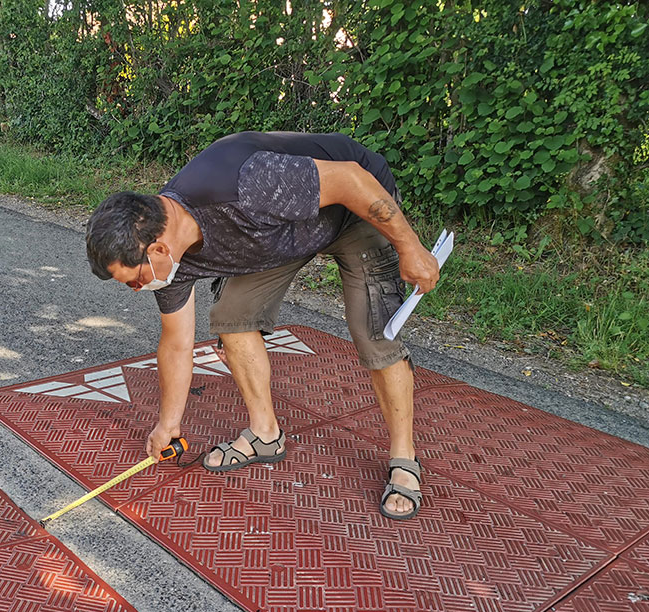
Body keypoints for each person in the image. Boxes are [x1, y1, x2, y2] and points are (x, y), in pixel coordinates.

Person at [85, 131, 439, 520]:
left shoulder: (246, 184)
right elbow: (175, 343)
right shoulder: (169, 260)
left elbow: (351, 178)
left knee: (375, 334)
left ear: (157, 249)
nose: (139, 288)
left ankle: (404, 458)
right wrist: (168, 424)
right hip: (283, 232)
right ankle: (266, 434)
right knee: (233, 316)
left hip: (356, 209)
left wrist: (410, 248)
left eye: (134, 280)